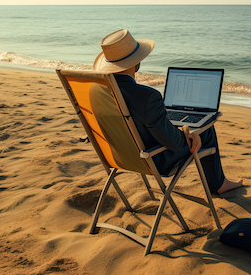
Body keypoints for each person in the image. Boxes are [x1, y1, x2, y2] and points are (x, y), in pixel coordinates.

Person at [93, 29, 243, 195]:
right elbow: (176, 143)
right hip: (155, 160)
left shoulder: (97, 90)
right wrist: (187, 133)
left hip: (119, 156)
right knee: (207, 129)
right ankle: (219, 184)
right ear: (137, 63)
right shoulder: (147, 96)